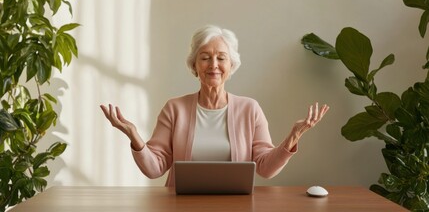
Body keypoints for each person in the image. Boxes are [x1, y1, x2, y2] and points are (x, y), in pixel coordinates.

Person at [100, 25, 329, 187]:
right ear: (194, 65)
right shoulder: (174, 109)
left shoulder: (250, 109)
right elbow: (155, 168)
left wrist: (293, 137)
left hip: (236, 206)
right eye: (205, 57)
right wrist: (134, 136)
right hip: (181, 206)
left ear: (231, 65)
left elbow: (265, 168)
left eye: (221, 57)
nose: (214, 65)